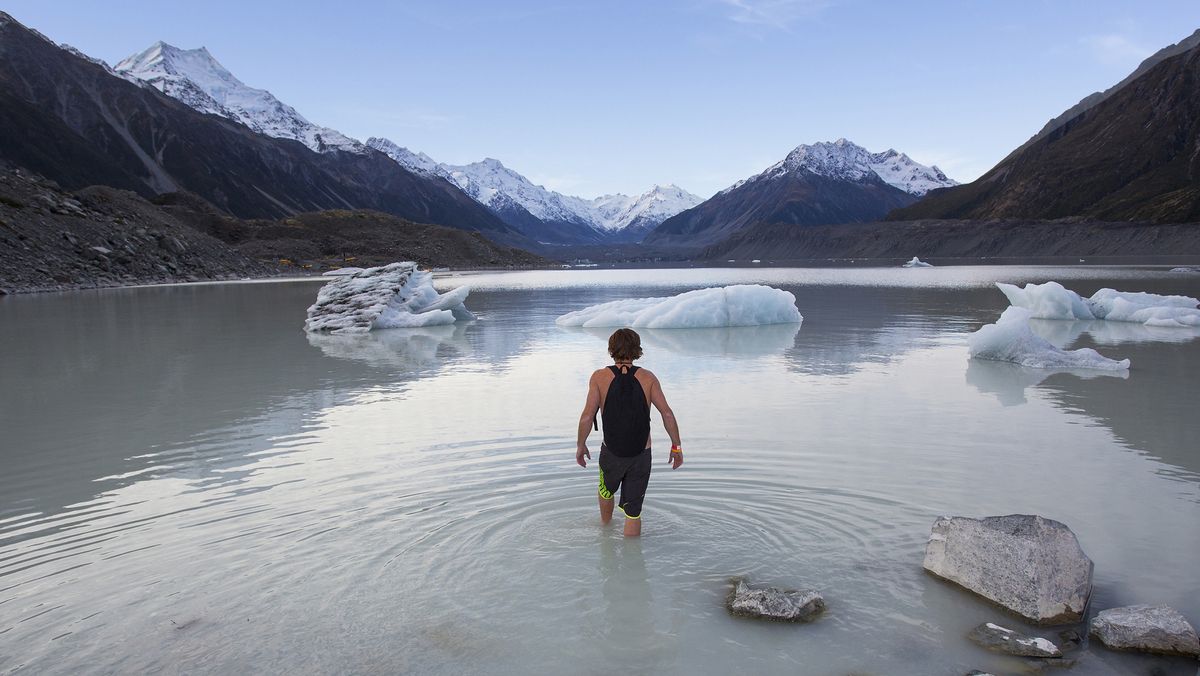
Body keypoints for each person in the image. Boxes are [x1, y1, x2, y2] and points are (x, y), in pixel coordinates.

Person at [576, 328, 682, 537]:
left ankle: (605, 530)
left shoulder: (599, 377)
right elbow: (667, 414)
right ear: (637, 350)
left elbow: (587, 416)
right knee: (633, 513)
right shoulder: (648, 378)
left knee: (605, 490)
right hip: (641, 453)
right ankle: (632, 562)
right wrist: (676, 446)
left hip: (611, 453)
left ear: (611, 349)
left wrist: (581, 445)